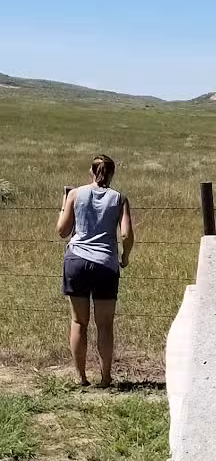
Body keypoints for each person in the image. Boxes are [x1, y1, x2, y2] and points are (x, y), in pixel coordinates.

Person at [56, 155, 134, 387]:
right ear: (112, 173)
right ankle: (106, 377)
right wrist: (125, 256)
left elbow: (62, 230)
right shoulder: (119, 199)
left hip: (77, 260)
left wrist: (64, 205)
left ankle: (81, 377)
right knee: (105, 324)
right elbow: (127, 234)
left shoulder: (74, 194)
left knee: (79, 321)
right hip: (105, 264)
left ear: (91, 171)